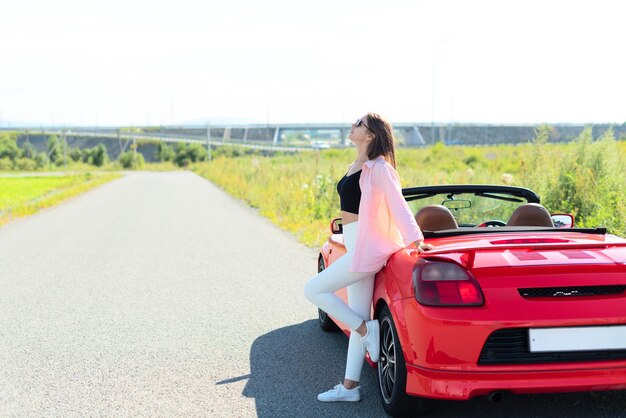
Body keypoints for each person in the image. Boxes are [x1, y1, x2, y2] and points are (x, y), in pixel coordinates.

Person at [304, 112, 436, 402]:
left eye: (359, 124)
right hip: (354, 243)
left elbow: (398, 204)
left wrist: (416, 240)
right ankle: (350, 387)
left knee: (313, 289)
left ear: (371, 135)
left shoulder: (380, 168)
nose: (352, 126)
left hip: (367, 248)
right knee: (358, 313)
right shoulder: (358, 164)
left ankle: (367, 329)